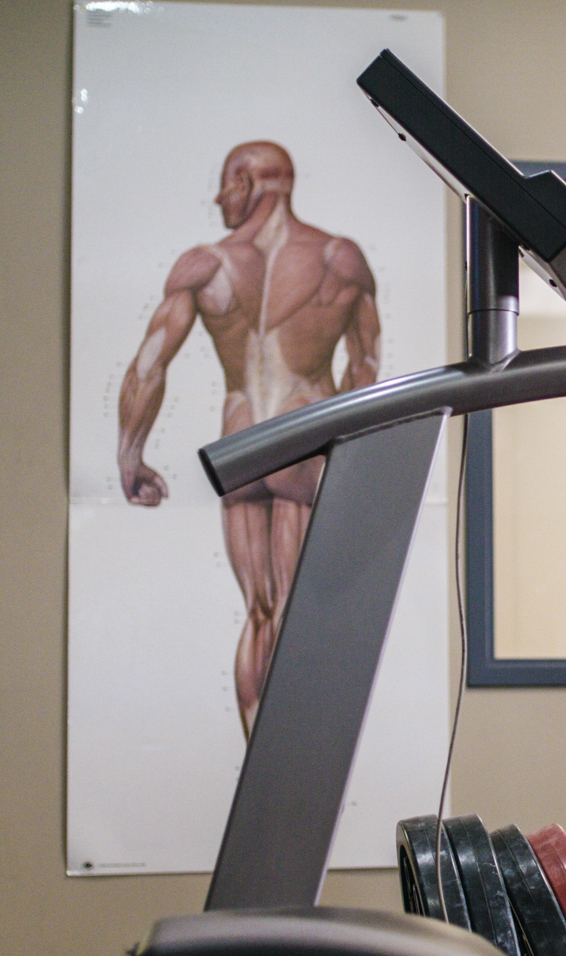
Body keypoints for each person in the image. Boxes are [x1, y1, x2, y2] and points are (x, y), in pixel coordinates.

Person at [116, 141, 381, 736]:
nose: (218, 198)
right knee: (294, 609)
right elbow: (365, 371)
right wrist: (349, 458)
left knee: (259, 612)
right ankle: (284, 767)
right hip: (305, 435)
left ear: (249, 181)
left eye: (224, 184)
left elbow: (150, 364)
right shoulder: (339, 261)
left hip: (239, 444)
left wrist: (130, 457)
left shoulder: (206, 265)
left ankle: (261, 762)